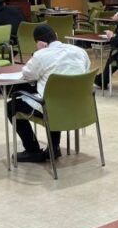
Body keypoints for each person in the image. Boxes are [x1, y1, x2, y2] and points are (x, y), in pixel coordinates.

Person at [8, 25, 91, 162]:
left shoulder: (41, 55)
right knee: (56, 96)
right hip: (79, 108)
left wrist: (39, 53)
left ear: (40, 43)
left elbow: (28, 75)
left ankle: (32, 151)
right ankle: (54, 147)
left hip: (54, 110)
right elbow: (85, 72)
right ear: (56, 35)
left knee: (12, 105)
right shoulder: (80, 51)